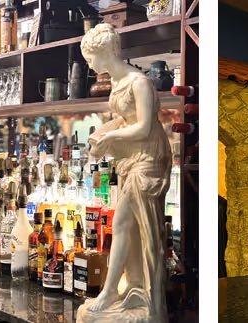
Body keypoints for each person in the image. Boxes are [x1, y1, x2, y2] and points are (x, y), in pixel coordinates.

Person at [78, 22, 173, 322]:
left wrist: (111, 138)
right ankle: (126, 290)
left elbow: (144, 127)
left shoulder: (139, 83)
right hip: (131, 160)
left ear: (105, 53)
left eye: (91, 58)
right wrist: (103, 137)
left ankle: (116, 294)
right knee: (125, 227)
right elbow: (124, 122)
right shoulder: (118, 84)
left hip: (149, 160)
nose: (90, 65)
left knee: (126, 225)